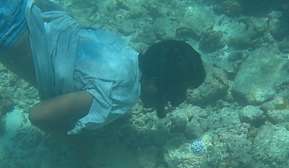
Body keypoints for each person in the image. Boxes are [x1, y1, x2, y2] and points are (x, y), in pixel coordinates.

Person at [0, 0, 206, 135]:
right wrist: (68, 141)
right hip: (7, 30)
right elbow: (39, 115)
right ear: (153, 84)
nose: (173, 100)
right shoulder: (117, 95)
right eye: (175, 93)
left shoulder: (127, 52)